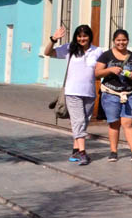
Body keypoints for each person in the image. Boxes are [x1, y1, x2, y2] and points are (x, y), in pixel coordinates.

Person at [43, 24, 104, 166]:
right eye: (79, 36)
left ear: (90, 37)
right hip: (72, 92)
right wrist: (53, 39)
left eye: (85, 36)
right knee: (79, 121)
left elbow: (102, 68)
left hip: (89, 93)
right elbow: (48, 53)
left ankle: (75, 150)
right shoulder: (69, 48)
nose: (82, 39)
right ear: (76, 37)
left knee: (83, 123)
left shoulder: (97, 51)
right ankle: (83, 153)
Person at [95, 29, 132, 163]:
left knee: (129, 123)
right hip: (111, 94)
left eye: (124, 40)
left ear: (128, 41)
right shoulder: (106, 55)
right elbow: (97, 73)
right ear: (114, 41)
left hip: (129, 93)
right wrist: (110, 70)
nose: (121, 43)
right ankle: (113, 152)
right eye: (118, 40)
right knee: (114, 124)